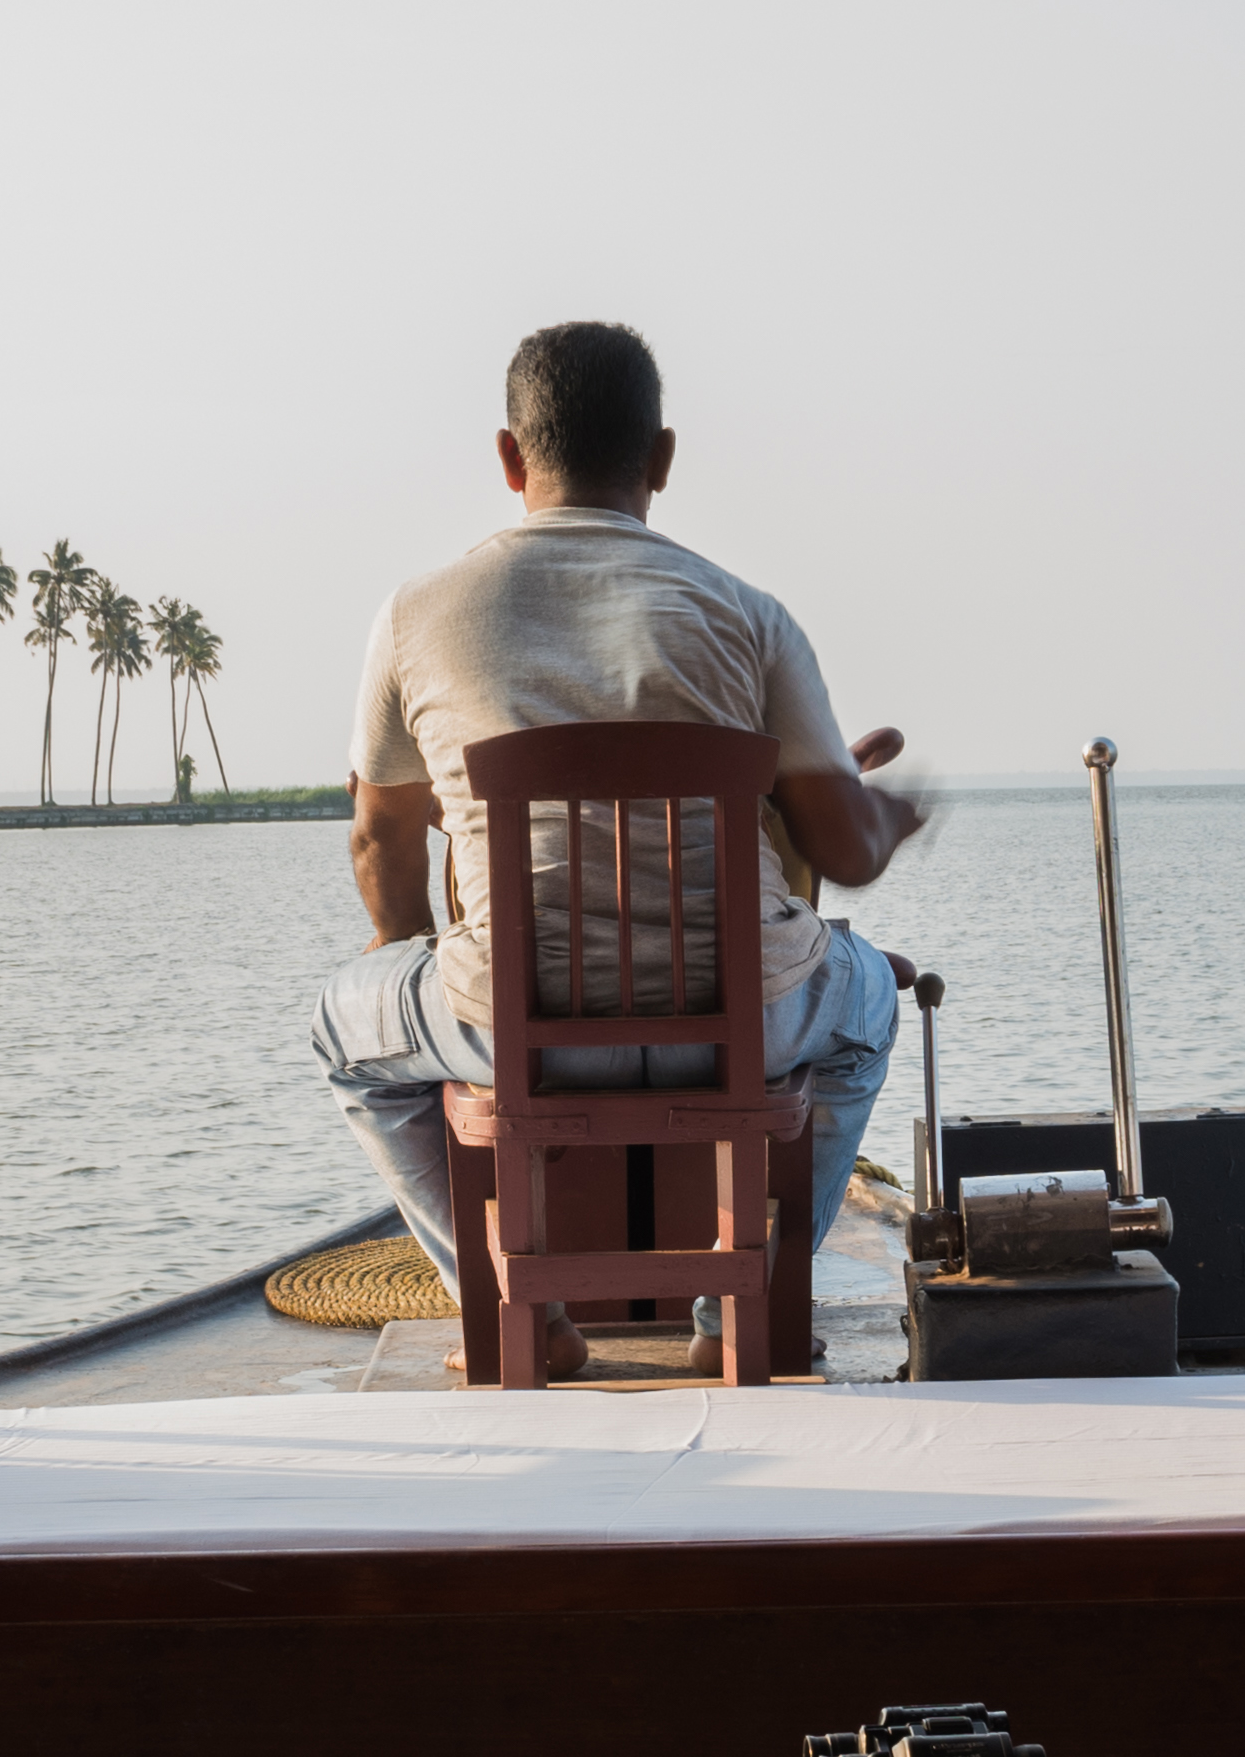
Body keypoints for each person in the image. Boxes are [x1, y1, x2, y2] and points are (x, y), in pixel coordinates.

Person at [312, 321, 922, 1339]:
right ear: (663, 458)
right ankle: (749, 1309)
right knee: (866, 1010)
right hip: (741, 1023)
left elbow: (380, 838)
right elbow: (846, 854)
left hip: (507, 1033)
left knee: (345, 1030)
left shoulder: (416, 614)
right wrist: (886, 814)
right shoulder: (746, 614)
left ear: (509, 457)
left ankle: (507, 1300)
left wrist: (415, 954)